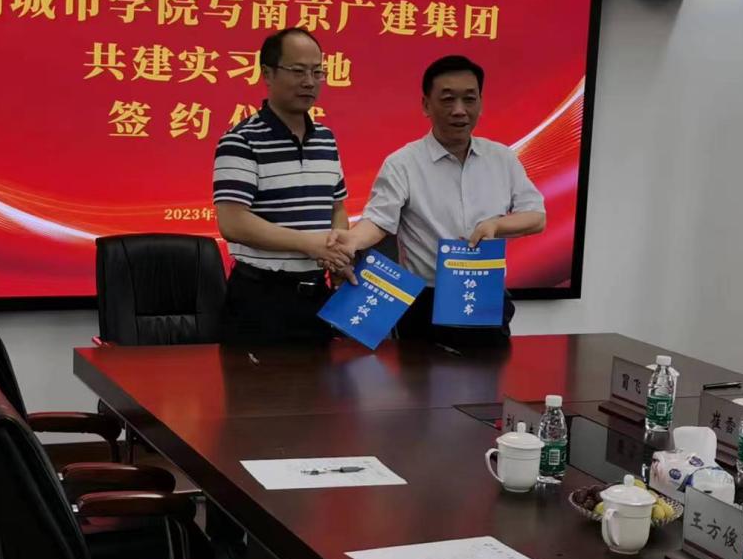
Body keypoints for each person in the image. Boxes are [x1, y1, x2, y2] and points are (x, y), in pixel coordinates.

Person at [330, 54, 544, 346]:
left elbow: (536, 217)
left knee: (490, 373)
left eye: (469, 99)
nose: (459, 110)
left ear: (481, 103)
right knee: (420, 376)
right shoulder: (403, 163)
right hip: (426, 304)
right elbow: (378, 221)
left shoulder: (502, 158)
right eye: (447, 100)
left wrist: (496, 225)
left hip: (485, 295)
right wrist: (352, 241)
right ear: (426, 105)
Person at [212, 27, 352, 345]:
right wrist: (309, 244)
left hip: (317, 296)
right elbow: (233, 222)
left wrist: (336, 250)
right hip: (261, 299)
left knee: (323, 378)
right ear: (268, 74)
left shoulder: (326, 139)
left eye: (317, 72)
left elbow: (337, 208)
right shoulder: (241, 140)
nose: (309, 82)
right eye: (298, 71)